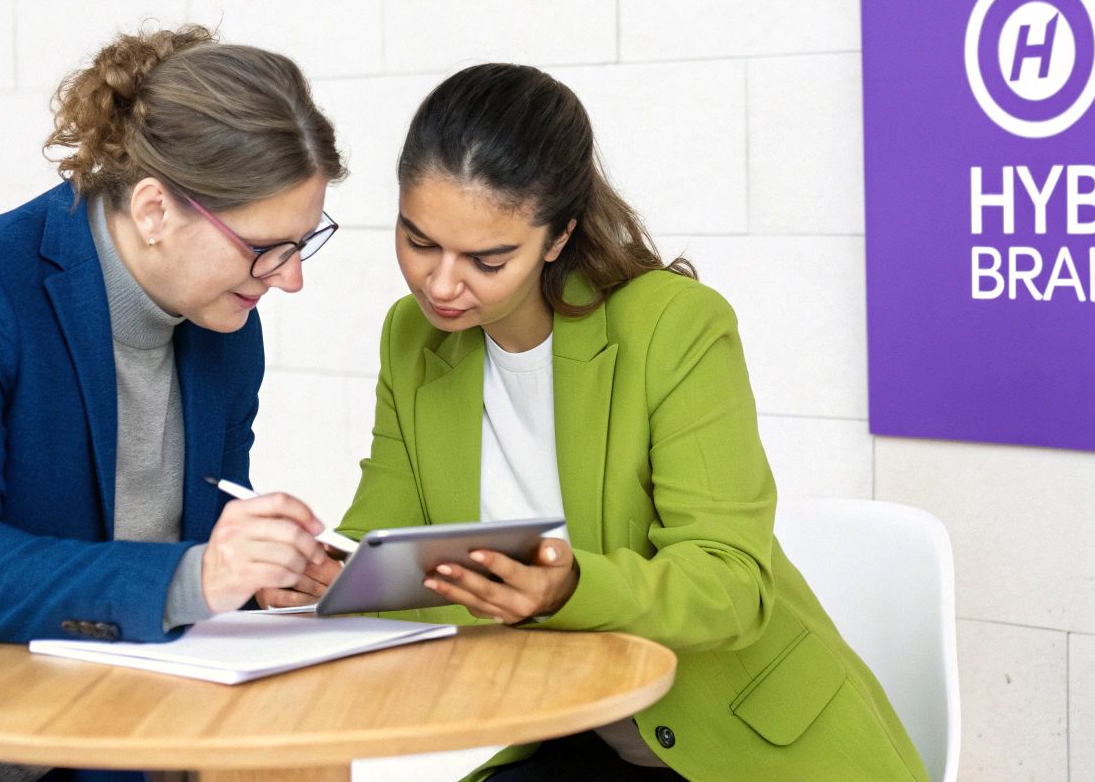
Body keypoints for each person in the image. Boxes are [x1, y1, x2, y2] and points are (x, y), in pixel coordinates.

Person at [335, 64, 928, 781]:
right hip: (591, 739)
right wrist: (324, 576)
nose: (441, 283)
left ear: (557, 238)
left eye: (487, 258)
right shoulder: (414, 338)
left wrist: (571, 588)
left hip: (752, 750)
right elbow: (389, 556)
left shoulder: (674, 328)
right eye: (419, 241)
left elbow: (731, 585)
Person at [0, 26, 348, 782]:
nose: (287, 280)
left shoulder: (225, 323)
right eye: (266, 247)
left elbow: (196, 533)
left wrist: (256, 576)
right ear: (156, 210)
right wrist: (195, 577)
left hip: (122, 715)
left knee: (304, 753)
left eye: (302, 243)